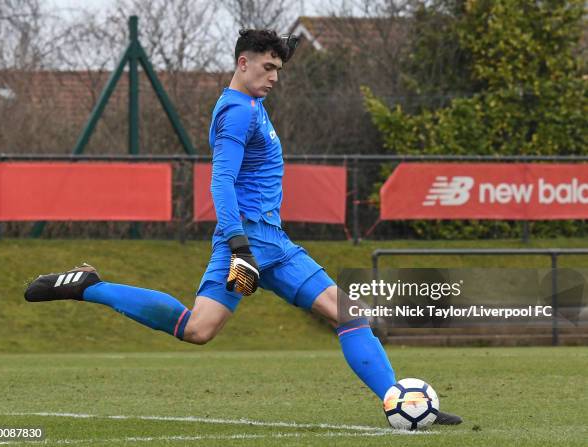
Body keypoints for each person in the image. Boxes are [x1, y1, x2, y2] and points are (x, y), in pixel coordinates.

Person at [25, 29, 461, 425]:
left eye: (278, 69)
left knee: (349, 315)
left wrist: (284, 44)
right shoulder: (236, 111)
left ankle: (400, 403)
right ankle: (89, 286)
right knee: (198, 329)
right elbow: (222, 179)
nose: (274, 76)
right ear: (242, 63)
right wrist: (237, 244)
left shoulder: (254, 106)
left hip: (275, 243)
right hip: (247, 242)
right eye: (268, 67)